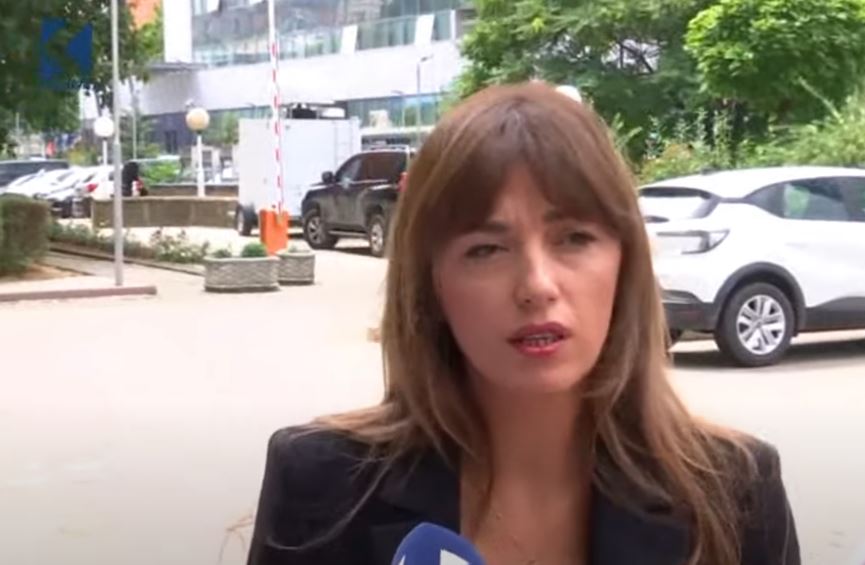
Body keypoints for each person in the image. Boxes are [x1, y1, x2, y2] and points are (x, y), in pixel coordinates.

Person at [247, 82, 800, 565]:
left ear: (624, 262)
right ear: (430, 283)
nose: (537, 285)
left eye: (574, 239)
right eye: (486, 249)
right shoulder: (323, 485)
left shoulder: (734, 491)